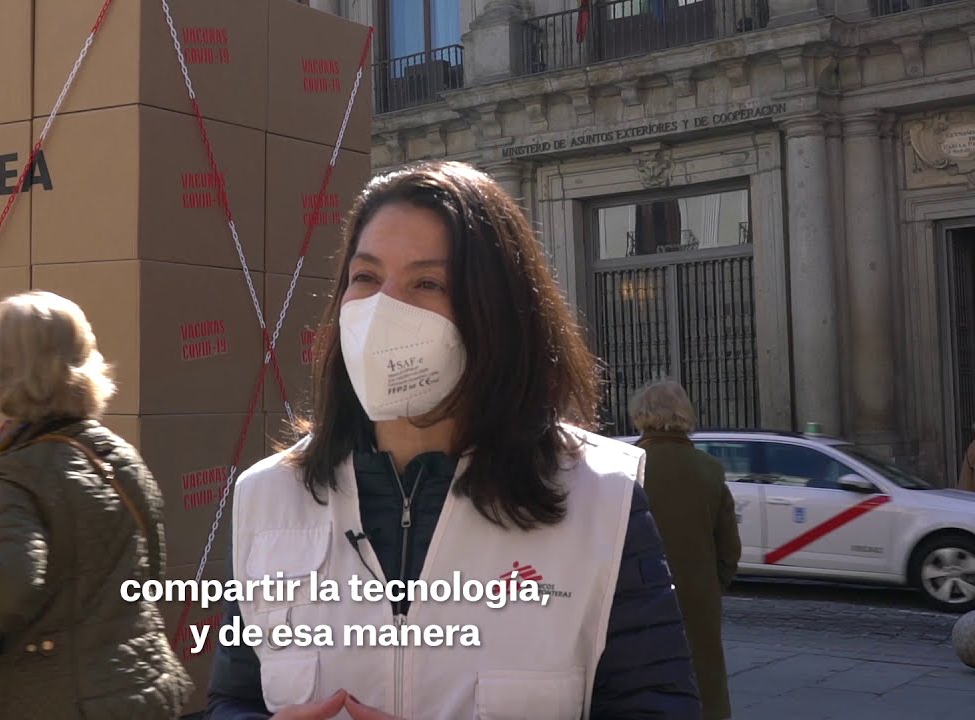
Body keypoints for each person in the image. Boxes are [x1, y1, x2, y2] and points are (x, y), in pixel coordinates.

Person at [205, 161, 701, 719]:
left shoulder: (599, 500)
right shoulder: (269, 496)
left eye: (427, 283)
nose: (382, 312)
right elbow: (234, 698)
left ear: (496, 312)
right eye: (365, 278)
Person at [0, 290, 193, 719]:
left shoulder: (18, 469)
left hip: (60, 698)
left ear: (1, 365)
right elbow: (152, 568)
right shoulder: (119, 456)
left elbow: (10, 573)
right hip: (144, 686)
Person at [629, 379, 741, 720]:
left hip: (638, 596)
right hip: (697, 596)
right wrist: (709, 584)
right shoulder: (709, 470)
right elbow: (729, 549)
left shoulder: (625, 467)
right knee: (703, 679)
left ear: (640, 415)